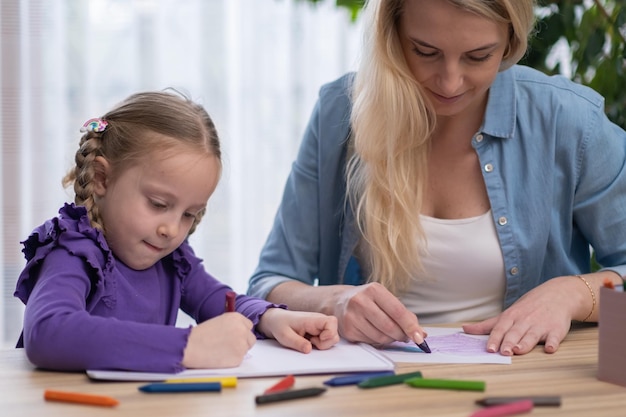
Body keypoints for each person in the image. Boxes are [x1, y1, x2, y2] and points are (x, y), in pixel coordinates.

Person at [247, 0, 626, 356]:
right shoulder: (339, 115)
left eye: (479, 56)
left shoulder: (570, 121)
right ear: (391, 33)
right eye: (425, 52)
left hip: (526, 387)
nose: (449, 83)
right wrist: (333, 301)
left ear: (511, 41)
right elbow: (269, 282)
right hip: (373, 389)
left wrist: (574, 293)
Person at [14, 90, 339, 373]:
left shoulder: (171, 259)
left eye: (189, 214)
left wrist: (271, 319)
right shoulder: (73, 249)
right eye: (157, 204)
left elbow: (218, 300)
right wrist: (188, 345)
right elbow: (48, 332)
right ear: (101, 178)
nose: (171, 229)